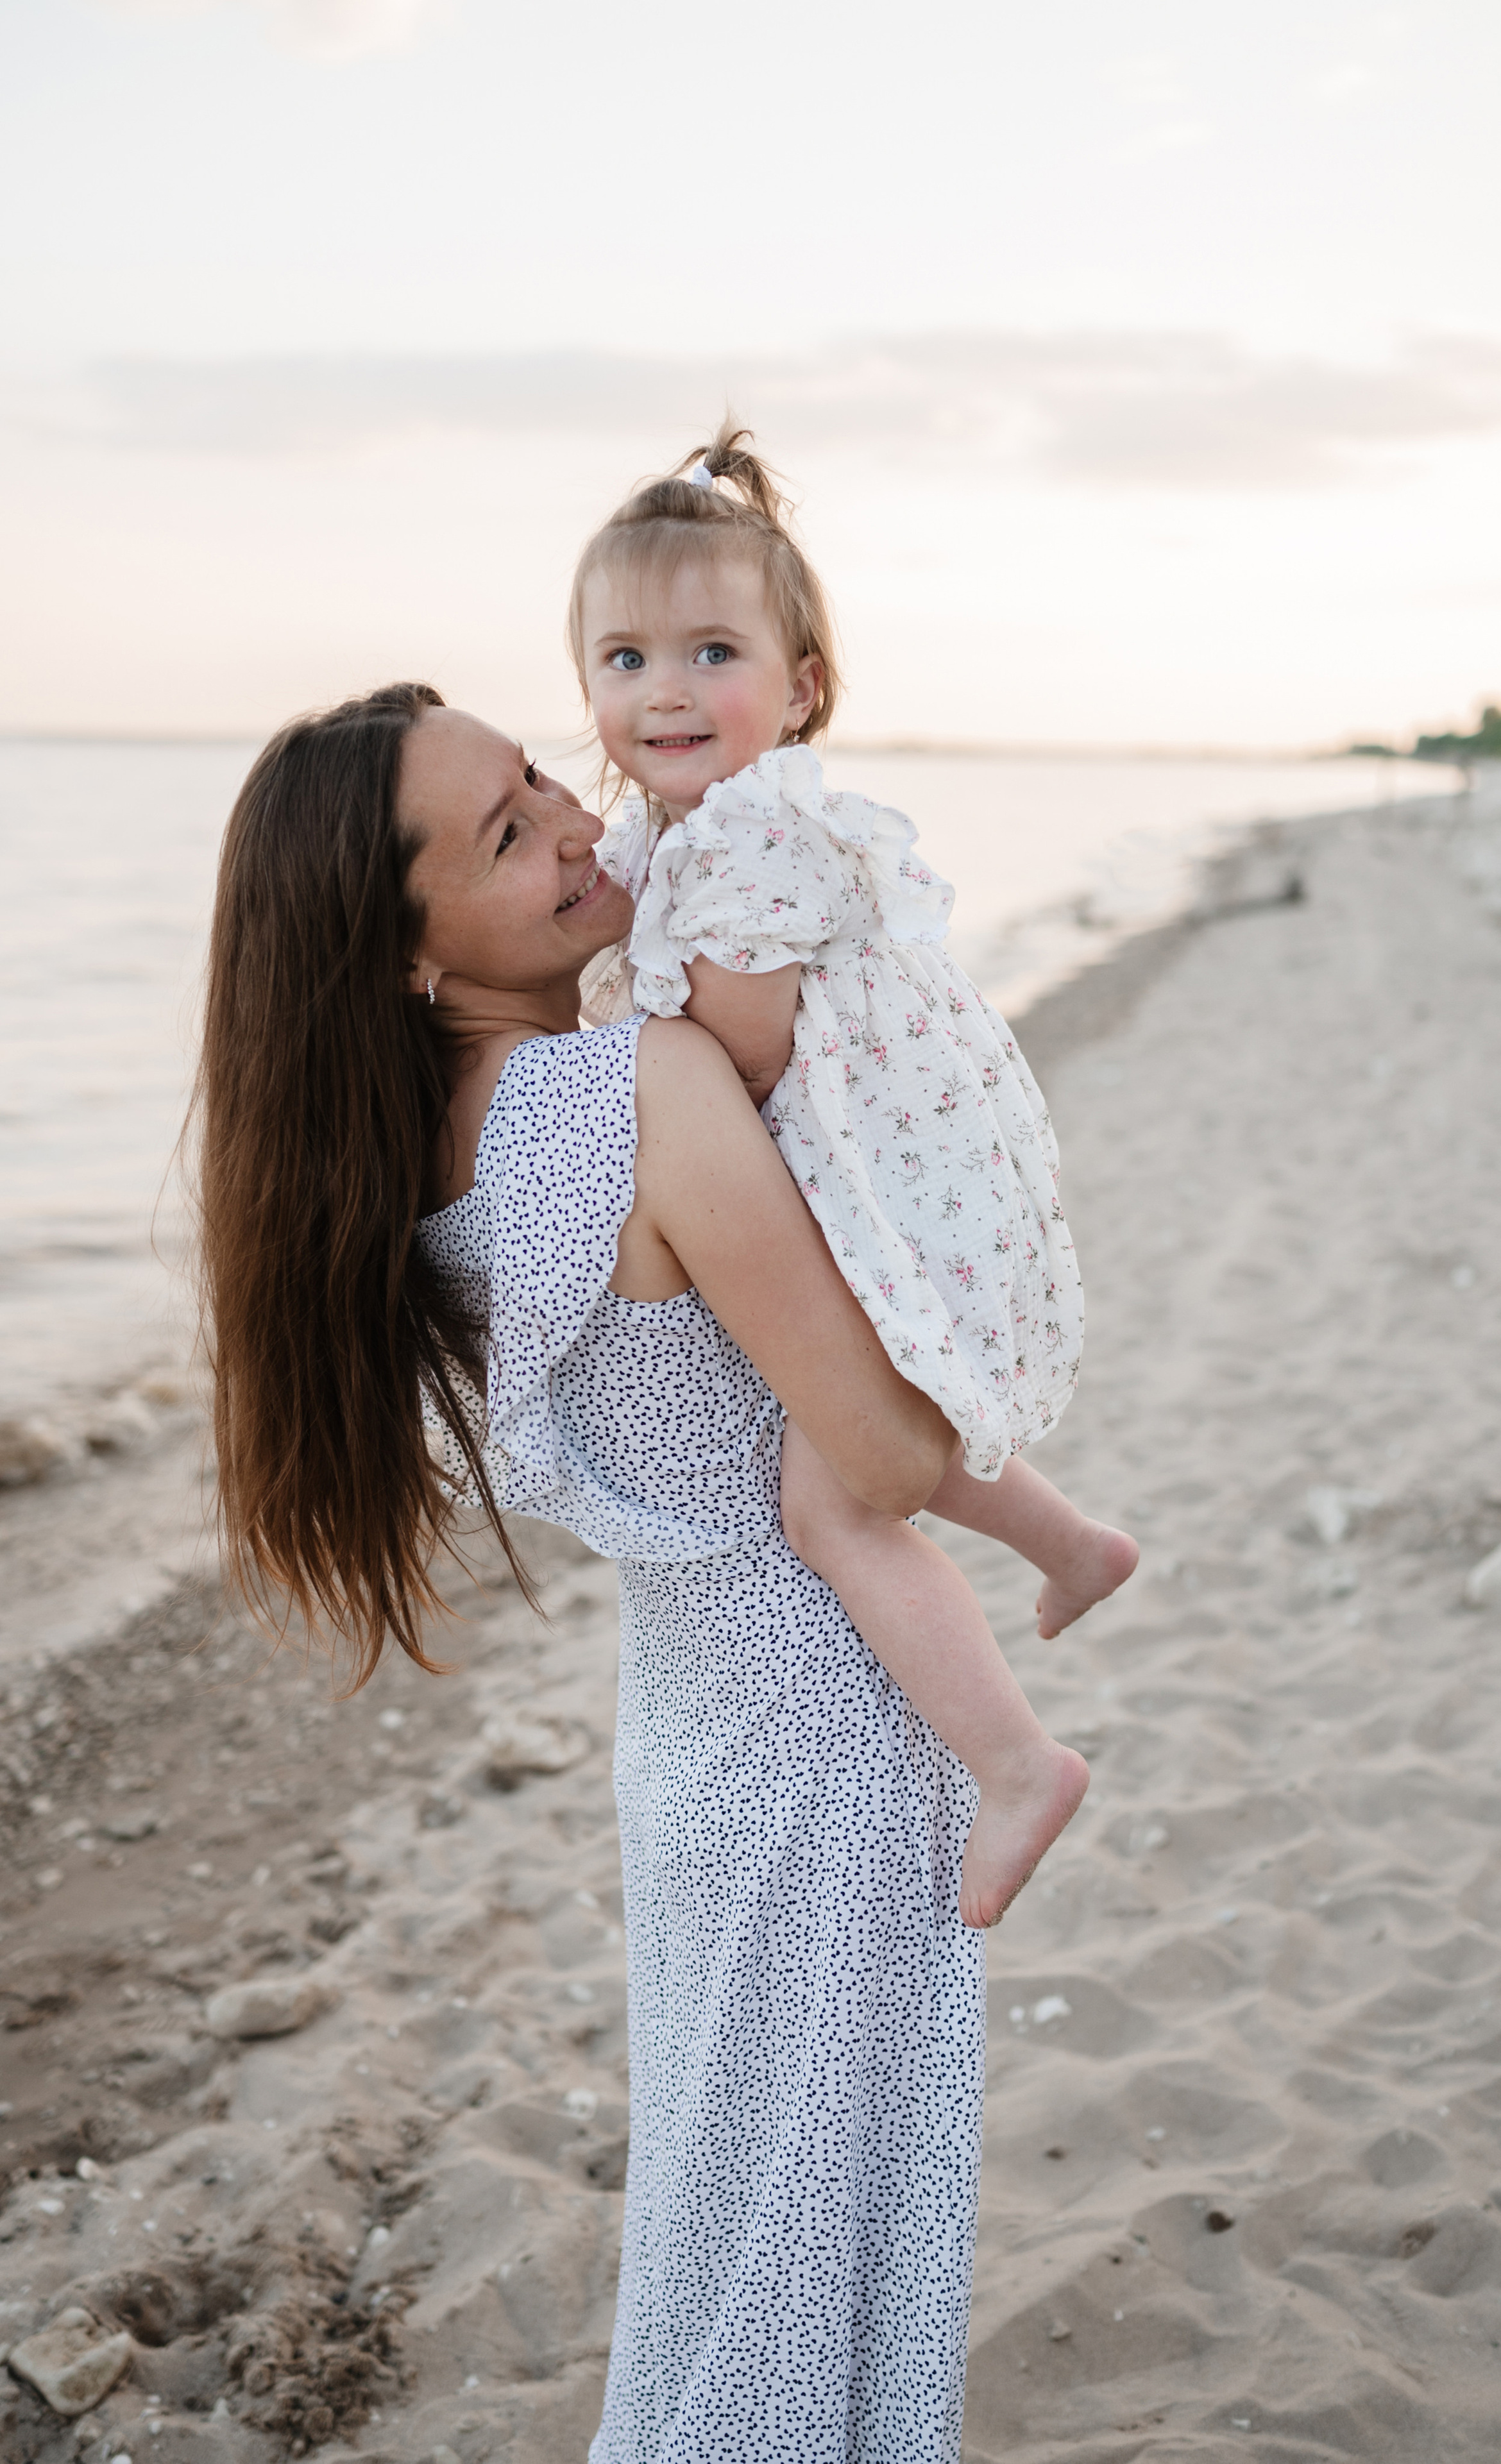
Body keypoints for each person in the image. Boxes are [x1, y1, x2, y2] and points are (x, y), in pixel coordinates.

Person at [194, 682, 985, 2461]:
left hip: (697, 1746)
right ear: (403, 958)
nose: (573, 818)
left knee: (735, 2246)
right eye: (504, 833)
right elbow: (885, 1456)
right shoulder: (639, 1083)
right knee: (826, 2267)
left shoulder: (432, 1163)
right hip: (832, 1741)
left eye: (539, 772)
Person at [568, 423, 1137, 1928]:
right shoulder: (680, 829)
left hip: (899, 1190)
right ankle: (1071, 1543)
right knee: (887, 1413)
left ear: (802, 683)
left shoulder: (762, 834)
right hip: (890, 1175)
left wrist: (626, 1015)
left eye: (710, 651)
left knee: (837, 1505)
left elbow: (737, 1057)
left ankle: (1016, 1765)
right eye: (623, 659)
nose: (665, 690)